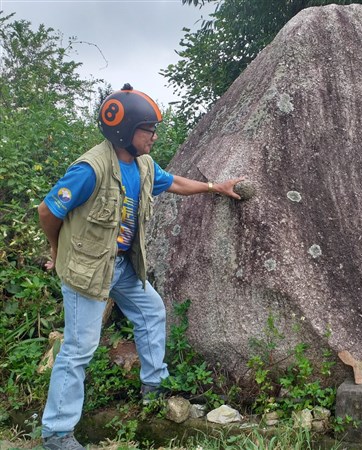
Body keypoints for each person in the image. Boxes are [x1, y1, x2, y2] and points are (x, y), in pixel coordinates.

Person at [37, 83, 243, 450]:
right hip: (86, 270)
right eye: (148, 129)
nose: (154, 135)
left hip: (121, 266)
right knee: (79, 348)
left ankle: (153, 386)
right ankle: (56, 434)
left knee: (151, 311)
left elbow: (175, 181)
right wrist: (57, 252)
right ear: (124, 130)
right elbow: (47, 212)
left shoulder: (143, 165)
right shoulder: (90, 169)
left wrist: (215, 186)